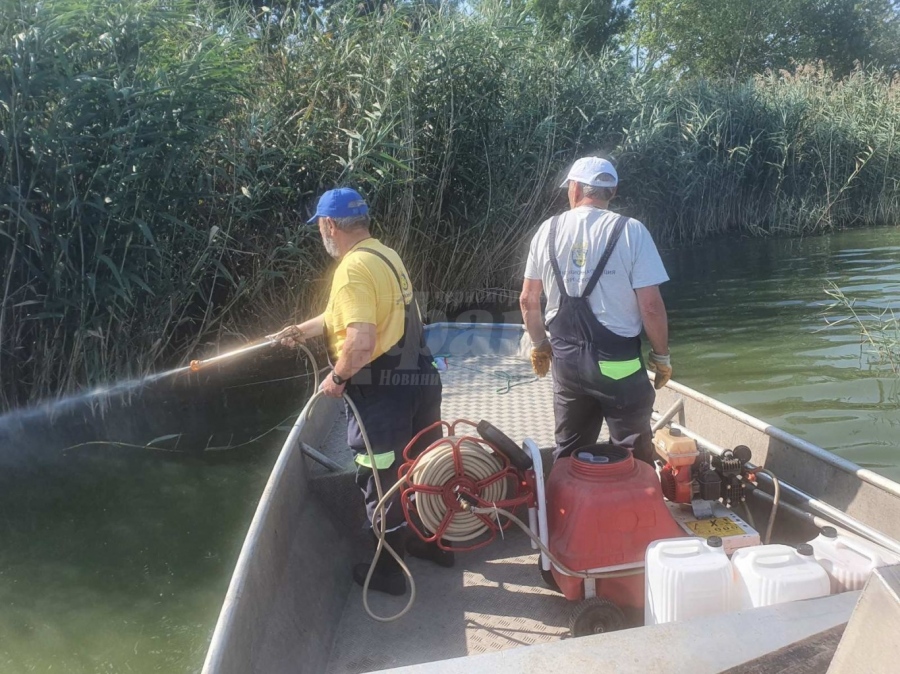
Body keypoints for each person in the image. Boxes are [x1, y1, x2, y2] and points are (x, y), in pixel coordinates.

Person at [270, 187, 450, 596]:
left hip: (381, 394)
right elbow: (350, 315)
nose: (321, 233)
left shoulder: (350, 270)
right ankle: (433, 543)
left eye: (320, 227)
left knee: (381, 479)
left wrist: (337, 377)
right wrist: (303, 330)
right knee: (421, 469)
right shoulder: (384, 254)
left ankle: (389, 572)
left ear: (329, 225)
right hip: (418, 379)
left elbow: (362, 340)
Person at [519, 157, 673, 464]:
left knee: (569, 450)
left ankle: (568, 508)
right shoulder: (631, 231)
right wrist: (662, 356)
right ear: (611, 192)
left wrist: (539, 345)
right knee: (632, 453)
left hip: (567, 364)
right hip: (619, 366)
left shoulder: (546, 231)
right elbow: (651, 306)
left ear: (574, 189)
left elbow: (527, 299)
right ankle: (633, 508)